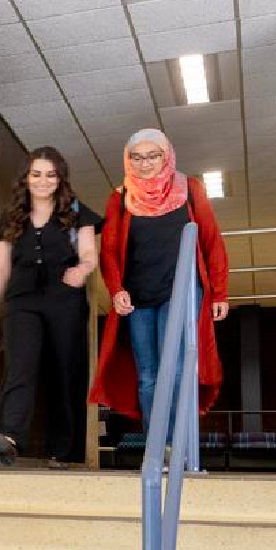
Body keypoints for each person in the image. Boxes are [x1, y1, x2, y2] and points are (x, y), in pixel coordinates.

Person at [90, 128, 229, 443]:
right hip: (138, 298)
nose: (144, 163)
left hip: (179, 292)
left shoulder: (190, 189)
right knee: (149, 376)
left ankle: (181, 442)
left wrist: (220, 291)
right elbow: (109, 251)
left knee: (177, 368)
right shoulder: (120, 197)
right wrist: (116, 290)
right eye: (136, 157)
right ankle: (159, 445)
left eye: (152, 156)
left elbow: (212, 242)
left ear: (166, 156)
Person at [0, 146, 100, 468]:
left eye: (50, 175)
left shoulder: (77, 214)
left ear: (60, 178)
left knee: (65, 371)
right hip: (22, 300)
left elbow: (90, 253)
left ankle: (62, 450)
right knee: (20, 367)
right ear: (26, 177)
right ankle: (9, 438)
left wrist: (82, 270)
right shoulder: (11, 218)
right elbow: (1, 268)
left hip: (65, 298)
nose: (42, 181)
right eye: (36, 174)